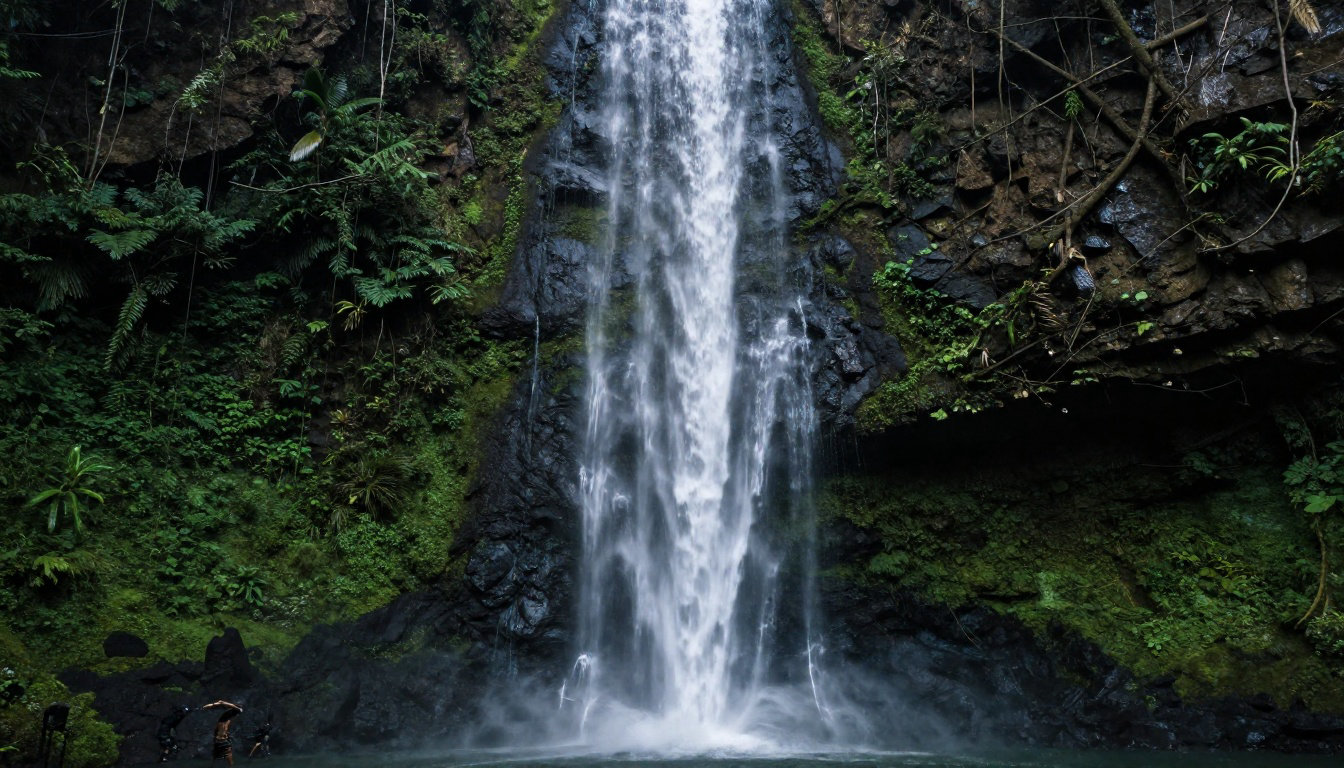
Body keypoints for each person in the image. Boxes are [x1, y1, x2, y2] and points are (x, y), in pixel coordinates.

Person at [202, 699, 243, 766]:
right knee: (223, 753)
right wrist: (222, 703)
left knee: (224, 754)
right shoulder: (238, 710)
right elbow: (231, 705)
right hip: (221, 738)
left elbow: (230, 706)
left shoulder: (228, 717)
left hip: (222, 736)